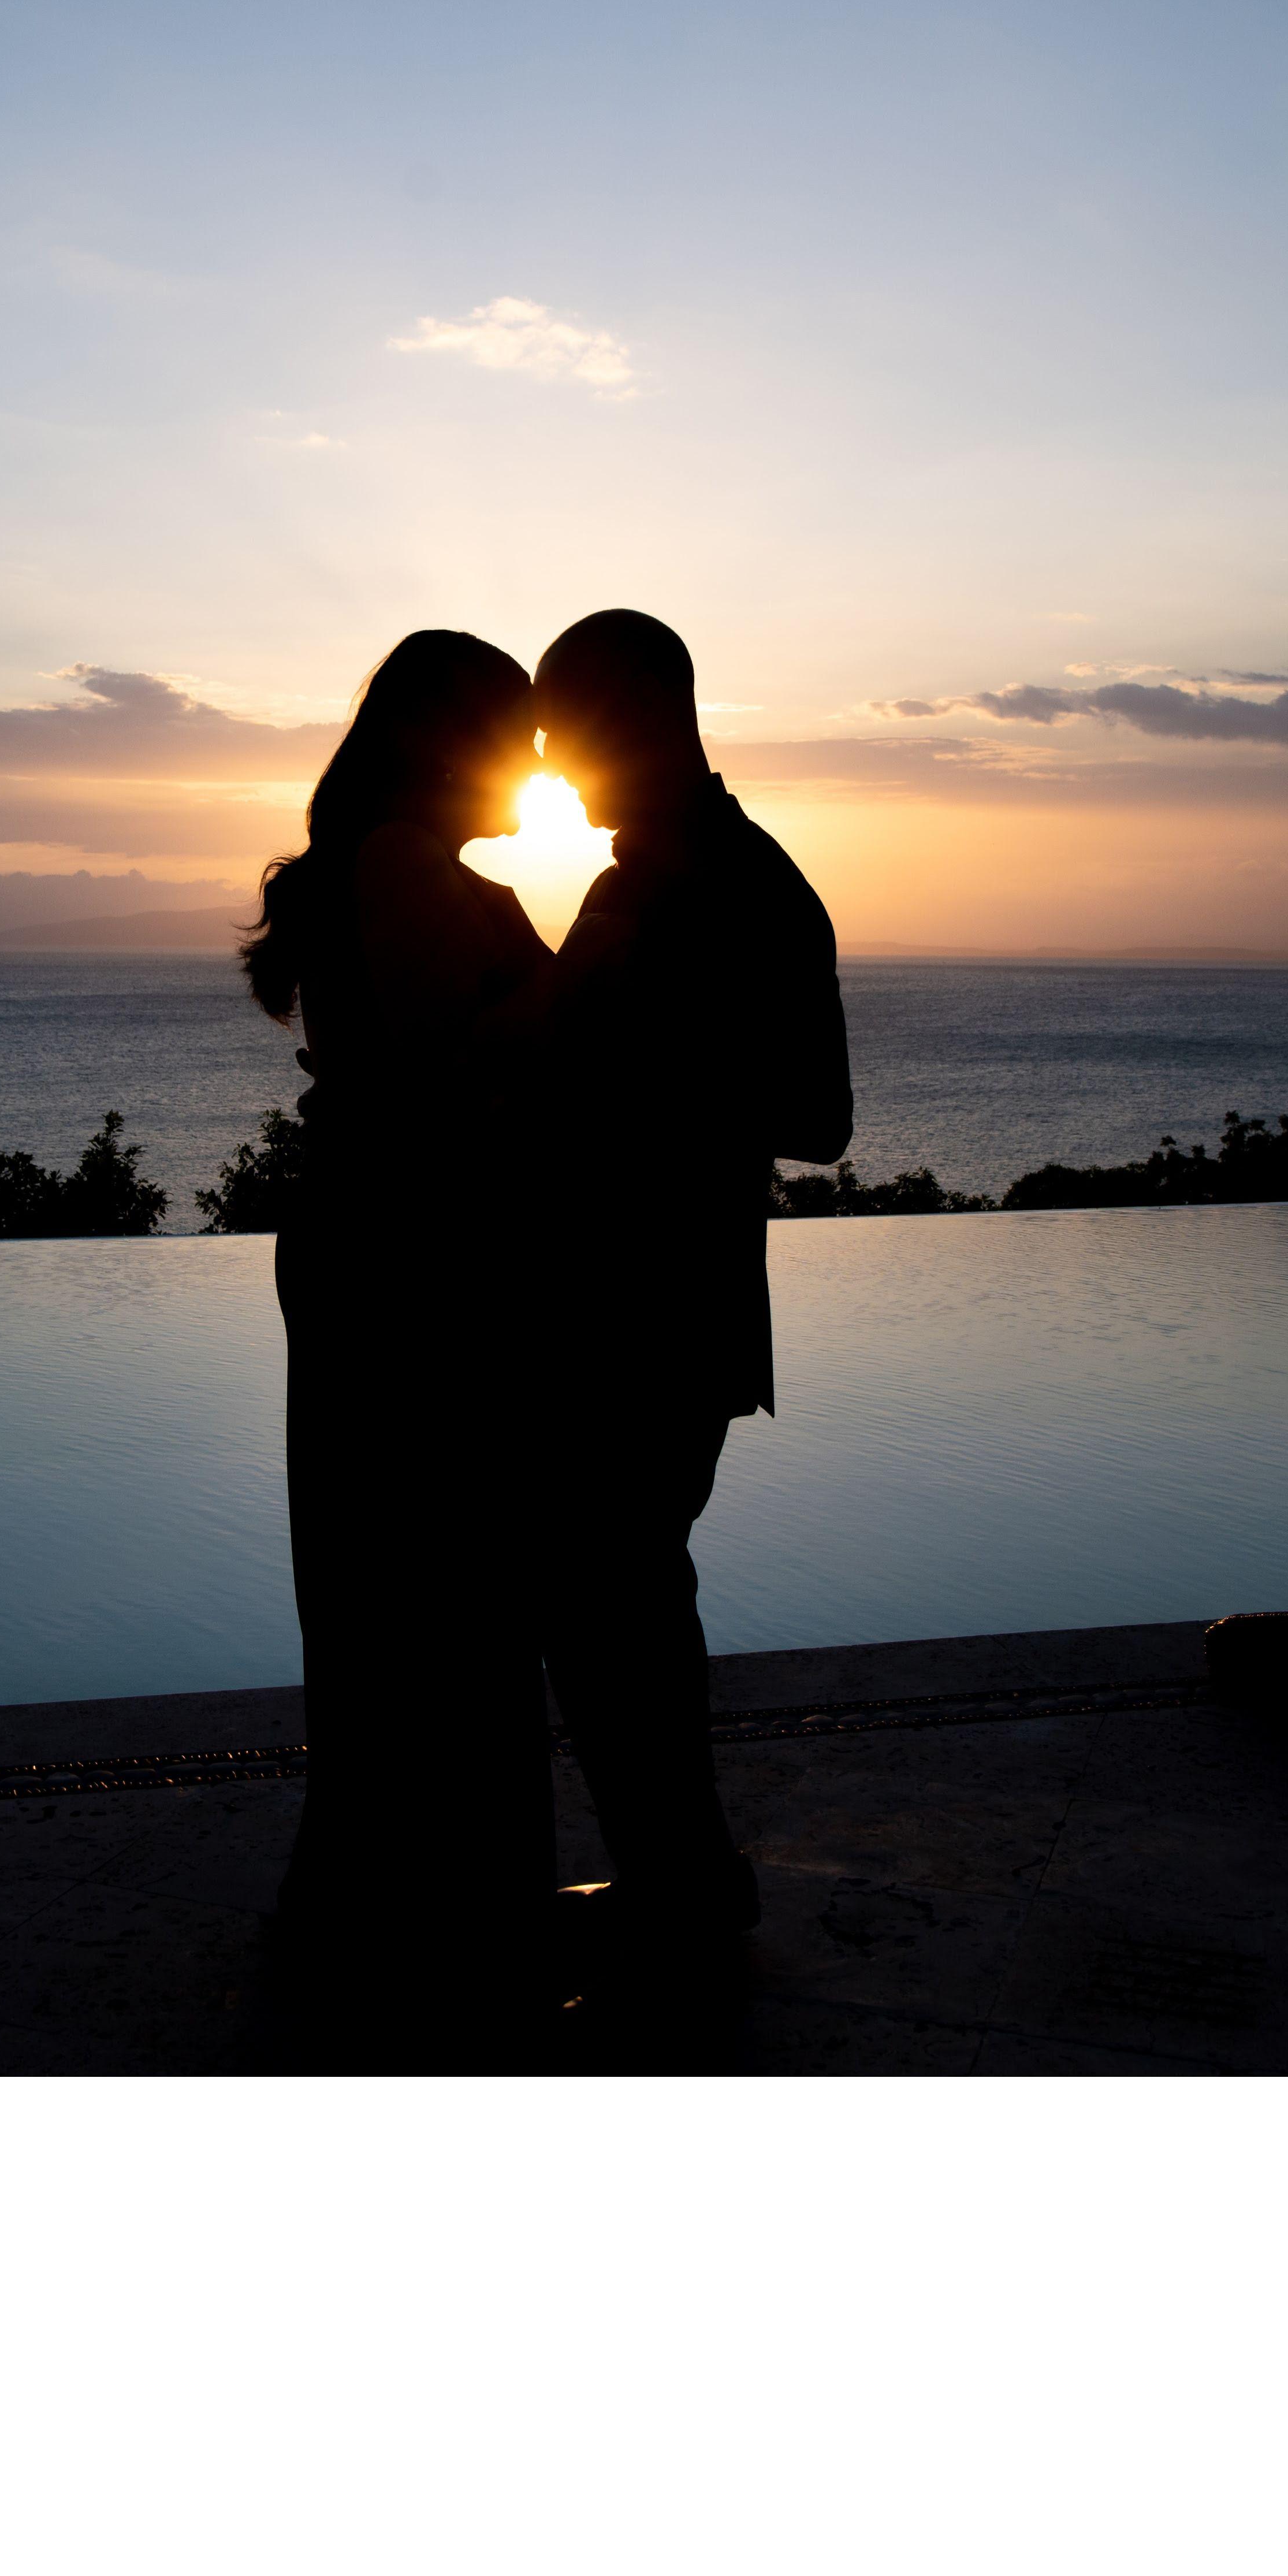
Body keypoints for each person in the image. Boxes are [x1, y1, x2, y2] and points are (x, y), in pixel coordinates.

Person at [529, 607, 853, 1968]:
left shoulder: (737, 884)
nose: (548, 761)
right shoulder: (650, 874)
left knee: (617, 1600)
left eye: (562, 730)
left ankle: (687, 1885)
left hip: (664, 1307)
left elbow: (820, 1118)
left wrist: (644, 1064)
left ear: (636, 719)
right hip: (620, 1304)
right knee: (616, 1599)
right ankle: (678, 1876)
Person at [240, 629, 557, 1994]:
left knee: (396, 1579)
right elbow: (451, 1076)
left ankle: (389, 1895)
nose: (539, 763)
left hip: (382, 1239)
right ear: (449, 743)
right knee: (438, 1584)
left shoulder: (393, 862)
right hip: (411, 1254)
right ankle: (443, 1913)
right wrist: (590, 994)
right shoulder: (404, 866)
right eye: (519, 736)